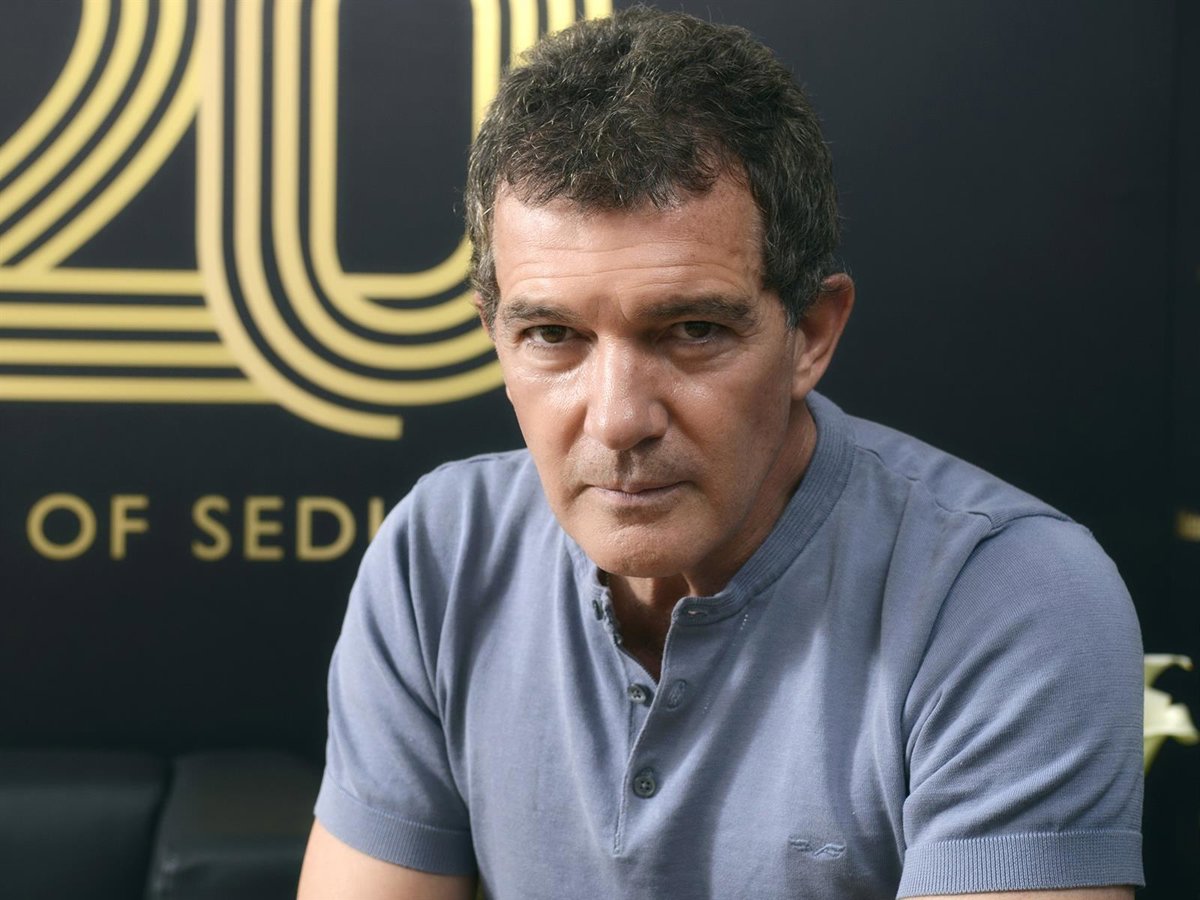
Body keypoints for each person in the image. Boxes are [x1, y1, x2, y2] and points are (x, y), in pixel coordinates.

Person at [297, 7, 1144, 899]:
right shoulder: (440, 554)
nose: (618, 420)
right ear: (495, 337)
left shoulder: (1004, 593)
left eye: (693, 330)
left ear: (811, 335)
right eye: (552, 335)